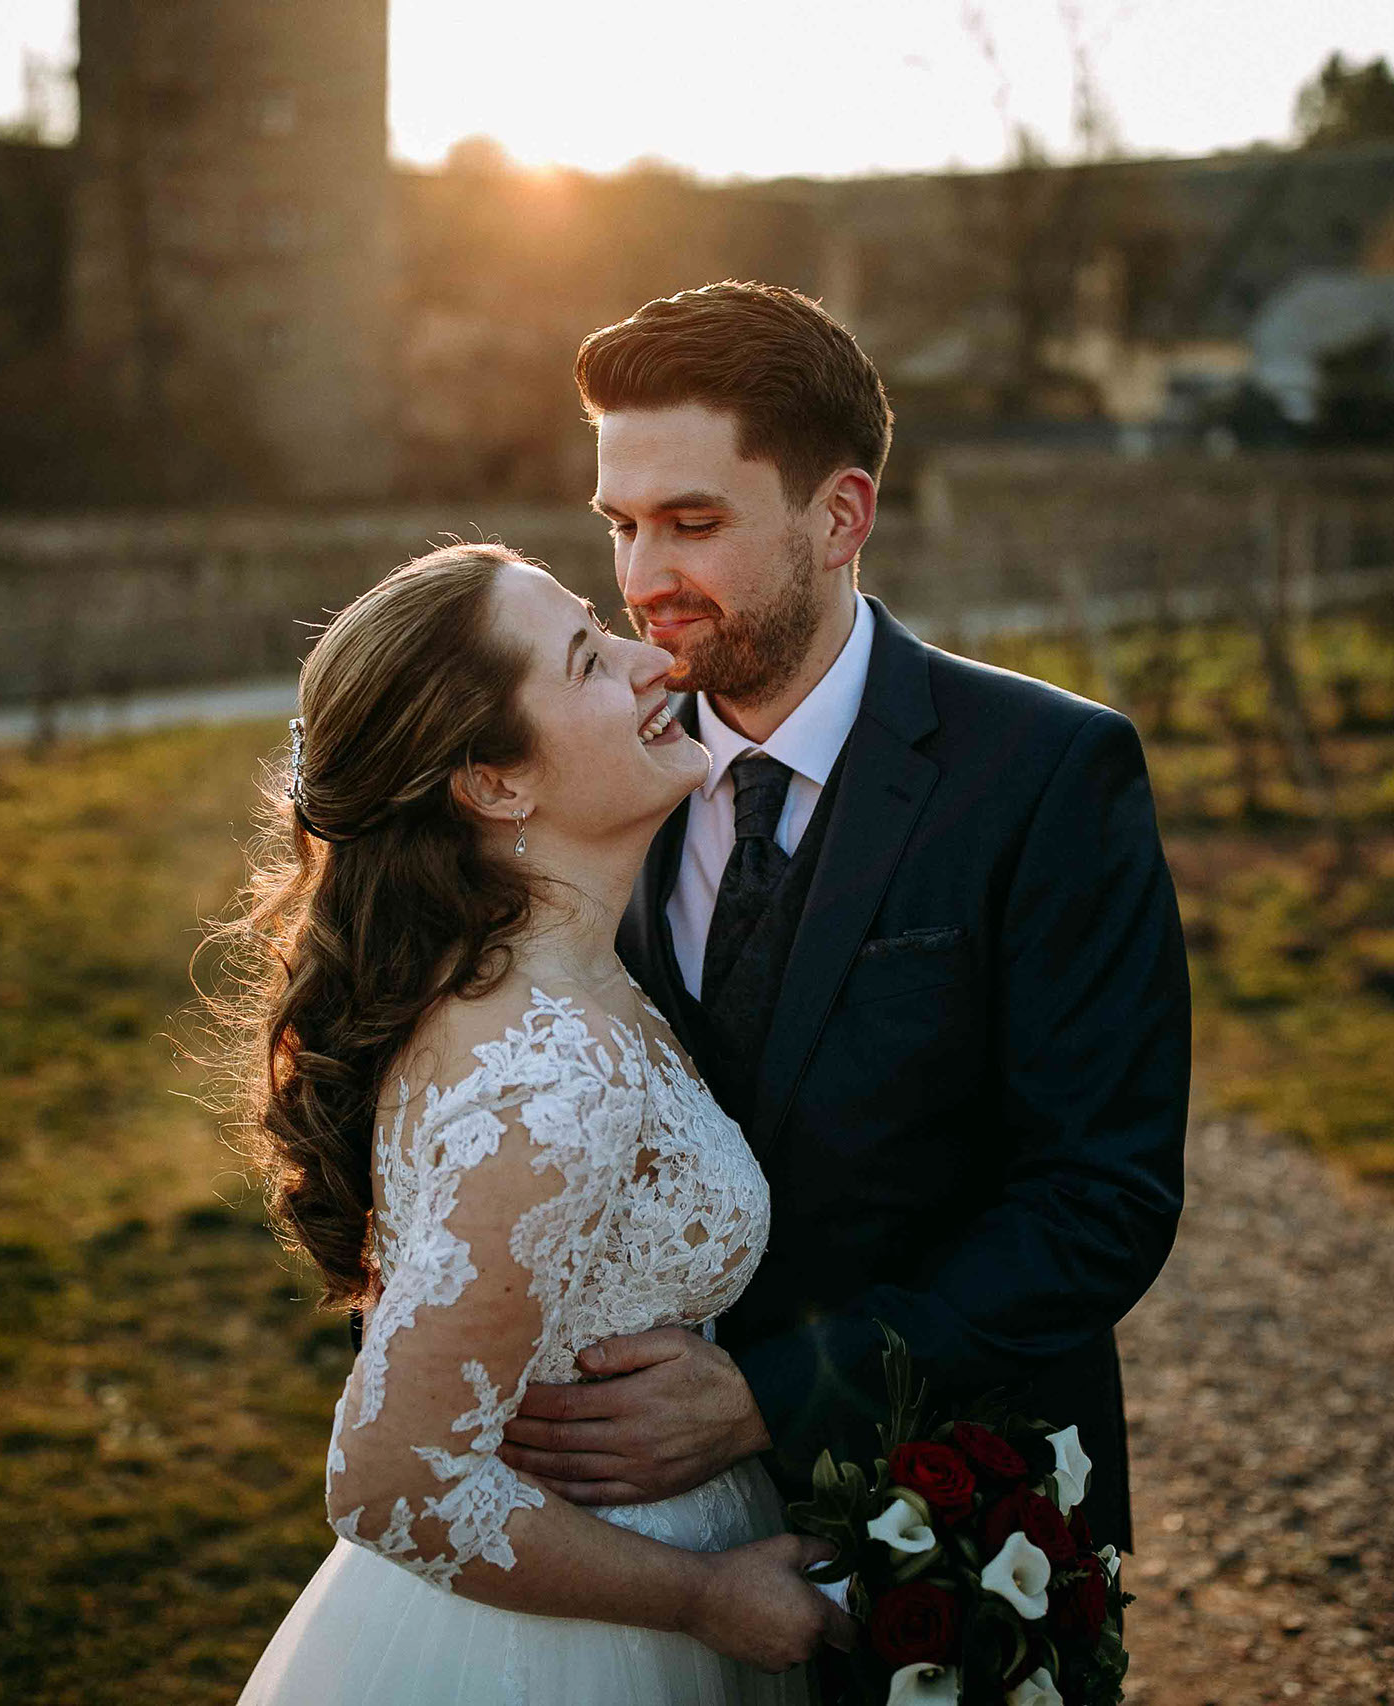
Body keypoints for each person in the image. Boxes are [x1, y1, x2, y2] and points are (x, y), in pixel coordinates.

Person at [498, 282, 1191, 1568]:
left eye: (692, 523)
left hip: (950, 1518)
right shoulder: (581, 774)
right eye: (621, 525)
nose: (642, 581)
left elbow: (1099, 1197)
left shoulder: (1046, 774)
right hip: (634, 1532)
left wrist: (768, 1396)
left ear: (840, 516)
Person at [219, 543, 849, 1703]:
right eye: (586, 659)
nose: (652, 659)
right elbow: (391, 1481)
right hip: (573, 1642)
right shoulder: (549, 1084)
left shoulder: (550, 981)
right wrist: (698, 1596)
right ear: (494, 784)